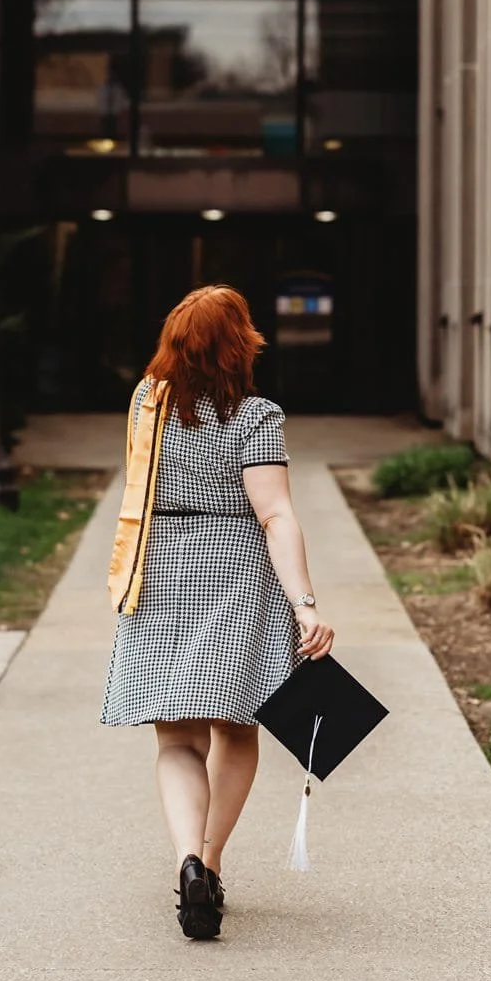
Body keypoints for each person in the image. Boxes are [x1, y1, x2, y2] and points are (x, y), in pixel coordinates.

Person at [101, 284, 333, 940]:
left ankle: (185, 862)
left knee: (176, 736)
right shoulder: (256, 417)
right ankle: (209, 860)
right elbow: (275, 514)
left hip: (157, 571)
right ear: (242, 342)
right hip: (232, 571)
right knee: (236, 729)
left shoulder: (147, 403)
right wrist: (305, 604)